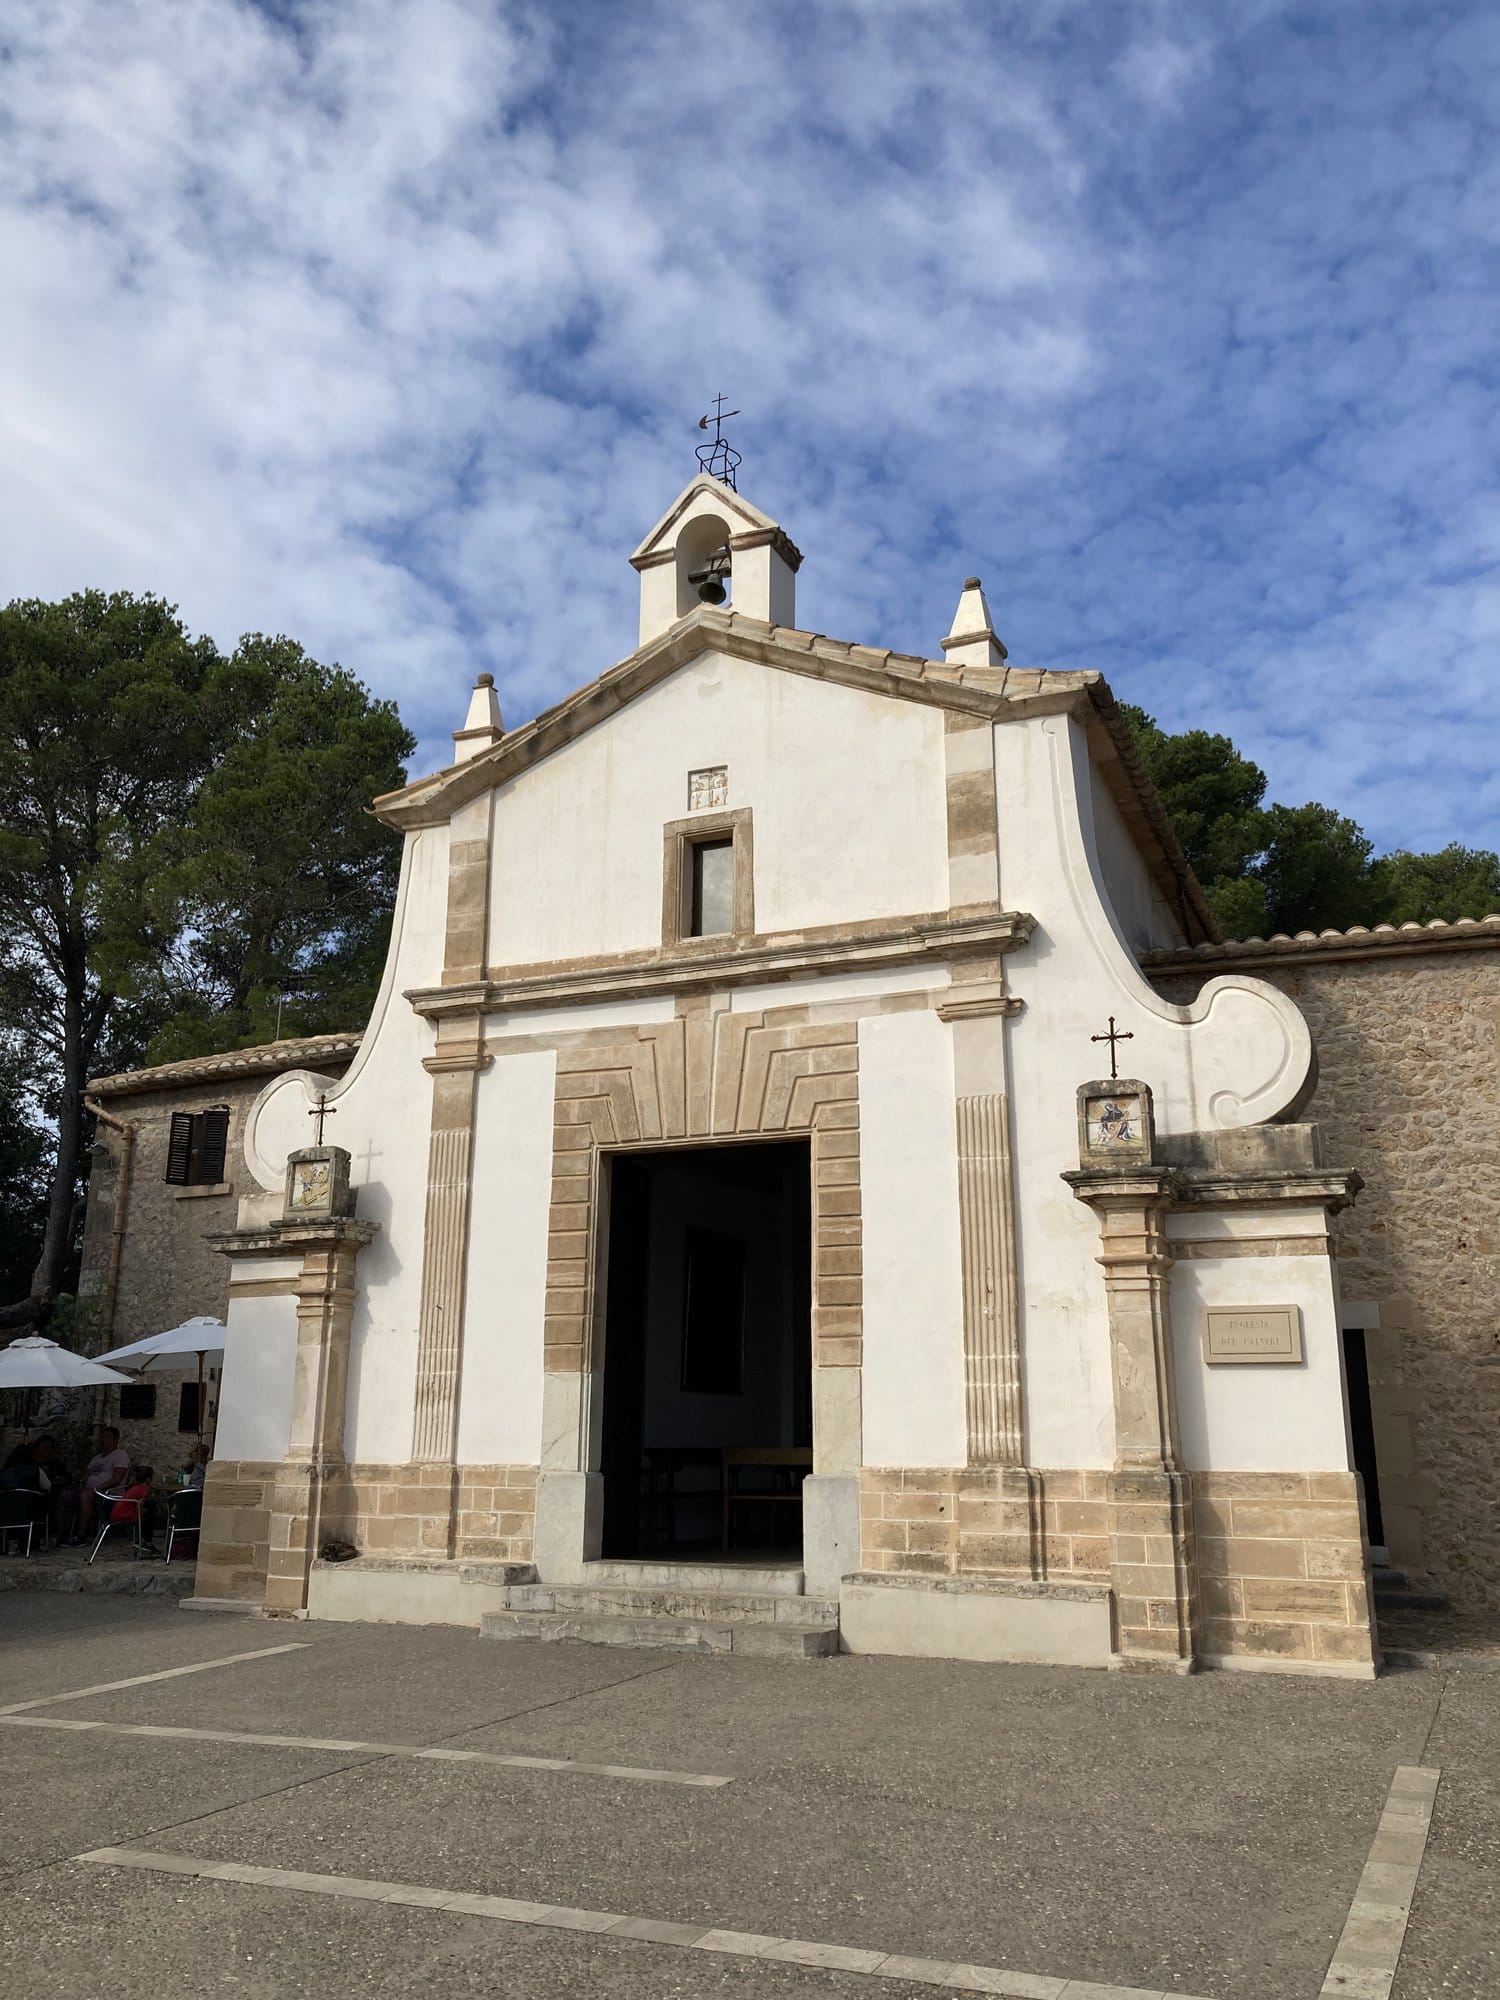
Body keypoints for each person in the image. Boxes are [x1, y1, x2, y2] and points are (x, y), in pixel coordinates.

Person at [74, 1425, 130, 1544]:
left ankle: (81, 1534)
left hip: (108, 1494)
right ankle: (60, 1534)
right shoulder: (96, 1458)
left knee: (86, 1496)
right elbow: (85, 1476)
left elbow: (116, 1479)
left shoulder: (120, 1455)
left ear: (115, 1440)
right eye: (102, 1437)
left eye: (107, 1437)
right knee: (64, 1495)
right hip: (90, 1490)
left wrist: (97, 1488)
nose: (104, 1440)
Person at [109, 1464, 160, 1557]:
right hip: (124, 1516)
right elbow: (140, 1505)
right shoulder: (143, 1489)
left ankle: (142, 1541)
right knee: (150, 1515)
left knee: (149, 1509)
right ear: (148, 1479)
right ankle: (146, 1542)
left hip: (116, 1514)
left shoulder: (133, 1487)